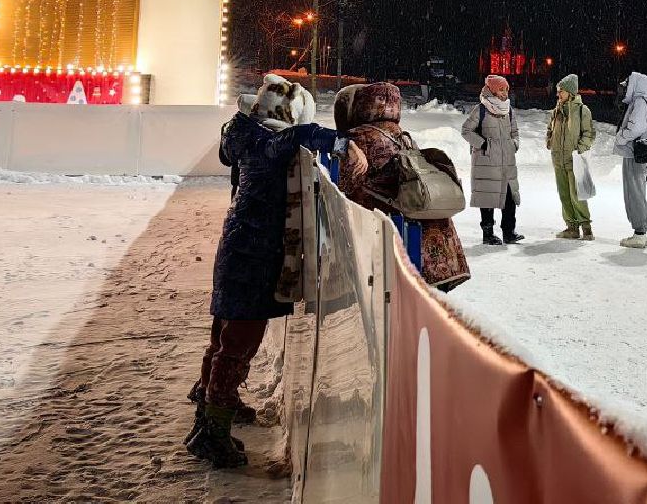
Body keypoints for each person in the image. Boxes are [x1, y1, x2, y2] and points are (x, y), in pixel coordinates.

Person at [186, 77, 343, 469]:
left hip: (238, 248)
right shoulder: (263, 144)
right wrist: (339, 142)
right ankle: (213, 432)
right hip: (252, 256)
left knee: (224, 336)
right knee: (238, 341)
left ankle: (212, 404)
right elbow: (291, 140)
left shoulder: (243, 138)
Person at [335, 81, 471, 290]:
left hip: (388, 224)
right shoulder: (402, 134)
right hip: (422, 221)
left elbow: (345, 183)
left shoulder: (359, 137)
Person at [461, 74, 523, 245]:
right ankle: (488, 234)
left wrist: (514, 144)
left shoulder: (508, 110)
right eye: (501, 90)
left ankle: (509, 232)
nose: (505, 93)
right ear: (493, 90)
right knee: (487, 197)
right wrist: (484, 145)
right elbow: (466, 130)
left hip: (506, 162)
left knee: (509, 197)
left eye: (506, 90)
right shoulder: (481, 109)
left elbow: (515, 132)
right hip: (486, 162)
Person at [546, 73, 595, 240]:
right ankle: (571, 227)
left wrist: (579, 149)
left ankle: (586, 227)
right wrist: (549, 141)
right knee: (564, 194)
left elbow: (589, 134)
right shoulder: (557, 111)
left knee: (577, 194)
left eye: (561, 91)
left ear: (570, 92)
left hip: (574, 159)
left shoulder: (582, 111)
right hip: (558, 159)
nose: (558, 94)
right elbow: (550, 129)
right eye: (558, 91)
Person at [613, 70, 647, 250]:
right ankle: (639, 232)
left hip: (634, 153)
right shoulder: (642, 102)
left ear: (636, 85)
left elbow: (636, 127)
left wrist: (621, 137)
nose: (624, 86)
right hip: (635, 153)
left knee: (635, 192)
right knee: (635, 191)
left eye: (627, 82)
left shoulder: (639, 102)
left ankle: (640, 233)